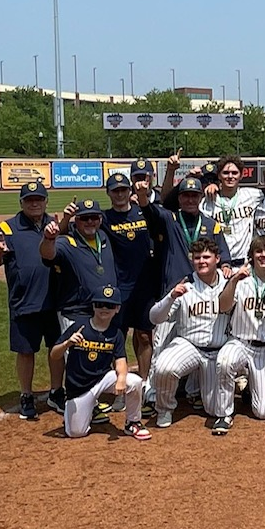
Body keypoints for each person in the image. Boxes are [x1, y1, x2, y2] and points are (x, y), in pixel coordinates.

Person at [0, 182, 64, 419]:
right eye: (29, 199)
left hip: (54, 300)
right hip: (24, 300)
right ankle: (26, 394)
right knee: (26, 351)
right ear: (21, 203)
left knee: (56, 349)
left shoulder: (56, 225)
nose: (34, 203)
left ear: (46, 201)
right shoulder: (7, 228)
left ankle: (56, 391)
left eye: (38, 199)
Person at [149, 238, 233, 434]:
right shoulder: (185, 285)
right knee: (165, 367)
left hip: (217, 351)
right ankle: (164, 409)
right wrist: (171, 297)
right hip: (189, 345)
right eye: (197, 258)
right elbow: (154, 317)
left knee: (213, 410)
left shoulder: (229, 281)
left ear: (217, 258)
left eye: (206, 257)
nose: (201, 261)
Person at [50, 285, 151, 441]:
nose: (104, 308)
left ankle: (133, 422)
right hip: (78, 388)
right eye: (100, 304)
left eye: (109, 305)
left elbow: (120, 361)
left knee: (134, 381)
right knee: (76, 433)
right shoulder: (79, 327)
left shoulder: (115, 333)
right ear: (93, 306)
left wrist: (122, 379)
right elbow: (54, 355)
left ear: (117, 308)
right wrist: (67, 344)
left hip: (102, 379)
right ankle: (87, 411)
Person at [217, 235, 265, 425]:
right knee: (225, 360)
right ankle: (224, 414)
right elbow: (223, 306)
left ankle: (249, 389)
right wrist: (233, 281)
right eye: (259, 251)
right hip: (240, 341)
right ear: (251, 255)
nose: (263, 255)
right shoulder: (242, 278)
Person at [100, 172, 156, 413]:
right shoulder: (103, 218)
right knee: (118, 337)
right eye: (115, 190)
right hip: (118, 287)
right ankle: (120, 388)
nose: (120, 194)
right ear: (109, 193)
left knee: (144, 335)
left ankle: (143, 385)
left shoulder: (143, 212)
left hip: (145, 284)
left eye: (124, 189)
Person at [40, 200, 119, 332]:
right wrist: (49, 238)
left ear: (100, 219)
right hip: (76, 313)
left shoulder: (104, 237)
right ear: (76, 221)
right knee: (76, 352)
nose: (89, 221)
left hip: (103, 310)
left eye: (93, 217)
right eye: (84, 218)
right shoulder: (67, 242)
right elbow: (47, 254)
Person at [199, 155, 263, 267]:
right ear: (219, 175)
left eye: (234, 173)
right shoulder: (208, 200)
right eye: (225, 173)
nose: (230, 176)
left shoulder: (252, 195)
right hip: (219, 265)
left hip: (245, 264)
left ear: (241, 175)